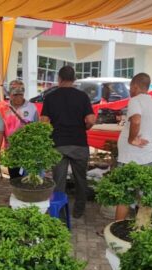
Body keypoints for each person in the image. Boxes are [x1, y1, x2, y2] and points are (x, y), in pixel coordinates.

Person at [114, 72, 152, 221]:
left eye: (130, 87)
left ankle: (116, 229)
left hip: (130, 159)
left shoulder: (135, 100)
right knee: (146, 197)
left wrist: (132, 139)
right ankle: (141, 230)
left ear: (135, 86)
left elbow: (136, 120)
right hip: (149, 158)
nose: (129, 90)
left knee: (124, 197)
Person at [41, 65, 96, 218]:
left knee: (58, 181)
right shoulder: (82, 96)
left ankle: (59, 212)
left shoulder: (50, 97)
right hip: (79, 143)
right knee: (80, 179)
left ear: (59, 79)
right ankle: (79, 209)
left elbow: (44, 122)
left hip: (58, 144)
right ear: (74, 79)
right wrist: (84, 127)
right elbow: (91, 119)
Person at [0, 80, 39, 179]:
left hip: (29, 151)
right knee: (15, 179)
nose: (18, 97)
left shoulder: (32, 108)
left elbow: (38, 130)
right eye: (15, 95)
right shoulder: (3, 109)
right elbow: (0, 131)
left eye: (20, 94)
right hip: (11, 152)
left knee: (29, 180)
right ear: (10, 94)